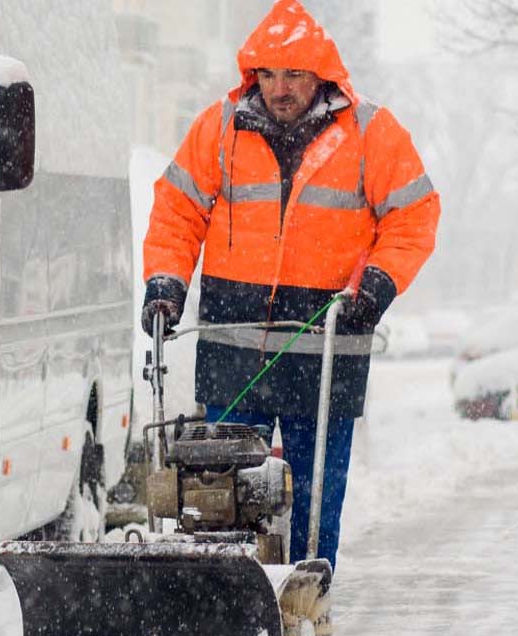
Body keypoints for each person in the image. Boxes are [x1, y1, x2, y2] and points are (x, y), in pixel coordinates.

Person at [141, 0, 439, 584]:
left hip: (327, 349)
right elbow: (177, 212)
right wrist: (166, 285)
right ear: (254, 75)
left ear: (321, 76)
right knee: (220, 495)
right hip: (234, 350)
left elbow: (414, 214)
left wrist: (375, 287)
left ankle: (306, 607)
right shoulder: (219, 128)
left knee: (312, 502)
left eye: (295, 75)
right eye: (269, 75)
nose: (280, 89)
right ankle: (229, 603)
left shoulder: (370, 133)